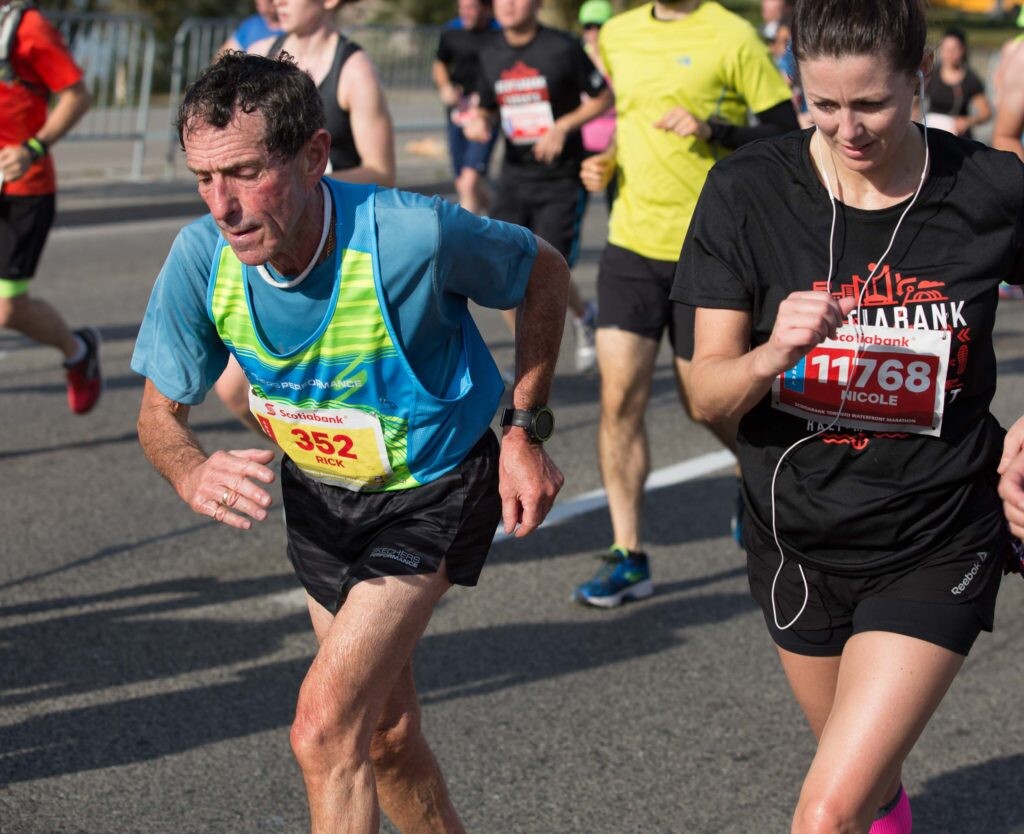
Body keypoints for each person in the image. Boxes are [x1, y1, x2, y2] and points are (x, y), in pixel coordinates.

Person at [132, 52, 568, 832]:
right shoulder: (201, 257)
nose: (223, 205)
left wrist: (524, 429)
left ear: (314, 157)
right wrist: (189, 470)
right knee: (387, 736)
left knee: (324, 729)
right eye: (203, 178)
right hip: (320, 497)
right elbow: (159, 416)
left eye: (245, 173)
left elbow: (545, 272)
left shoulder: (411, 233)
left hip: (434, 490)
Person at [672, 1, 1024, 831]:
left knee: (826, 811)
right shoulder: (747, 191)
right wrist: (770, 354)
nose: (847, 129)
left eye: (870, 104)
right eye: (822, 104)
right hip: (796, 536)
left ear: (919, 77)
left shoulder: (990, 187)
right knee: (868, 785)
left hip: (940, 532)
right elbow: (705, 395)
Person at [572, 0, 797, 607]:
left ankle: (754, 474)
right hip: (630, 243)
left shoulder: (733, 35)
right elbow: (628, 121)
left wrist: (713, 129)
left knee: (707, 404)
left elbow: (785, 132)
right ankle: (628, 555)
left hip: (710, 250)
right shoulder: (617, 34)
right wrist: (607, 161)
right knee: (619, 397)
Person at [213, 0, 398, 431]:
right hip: (269, 236)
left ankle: (342, 462)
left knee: (345, 393)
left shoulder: (353, 69)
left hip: (337, 241)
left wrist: (301, 180)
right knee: (234, 390)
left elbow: (383, 171)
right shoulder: (259, 54)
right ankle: (309, 460)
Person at [464, 0, 613, 375]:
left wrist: (562, 127)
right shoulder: (490, 52)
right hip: (514, 176)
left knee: (545, 272)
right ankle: (528, 360)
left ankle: (582, 315)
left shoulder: (562, 47)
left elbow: (603, 98)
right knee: (500, 271)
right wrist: (480, 122)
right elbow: (487, 106)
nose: (508, 5)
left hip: (561, 179)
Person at [0, 0, 100, 415]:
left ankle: (78, 351)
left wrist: (33, 148)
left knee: (7, 309)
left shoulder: (27, 27)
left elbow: (77, 95)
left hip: (21, 187)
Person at [432, 0, 501, 215]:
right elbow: (440, 63)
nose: (465, 13)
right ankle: (503, 220)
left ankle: (464, 234)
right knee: (464, 181)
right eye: (462, 7)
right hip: (459, 110)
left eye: (471, 7)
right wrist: (445, 86)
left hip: (486, 111)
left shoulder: (500, 32)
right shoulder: (451, 30)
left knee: (470, 181)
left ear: (486, 8)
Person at [578, 0, 617, 207]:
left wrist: (600, 62)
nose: (593, 33)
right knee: (574, 210)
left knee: (616, 208)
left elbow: (623, 95)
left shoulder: (621, 57)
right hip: (582, 144)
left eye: (599, 26)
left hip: (613, 145)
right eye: (588, 27)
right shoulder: (575, 56)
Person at [919, 27, 991, 139]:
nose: (950, 54)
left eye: (954, 49)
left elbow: (985, 113)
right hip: (931, 133)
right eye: (946, 49)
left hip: (958, 137)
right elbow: (915, 102)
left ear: (963, 50)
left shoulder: (971, 79)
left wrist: (967, 121)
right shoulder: (931, 74)